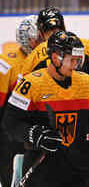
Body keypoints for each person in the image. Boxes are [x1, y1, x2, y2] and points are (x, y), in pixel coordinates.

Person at [2, 30, 89, 187]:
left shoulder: (86, 82)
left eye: (78, 60)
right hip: (42, 172)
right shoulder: (30, 84)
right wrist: (35, 134)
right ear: (56, 58)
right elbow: (10, 123)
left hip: (79, 173)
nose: (76, 65)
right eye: (72, 60)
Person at [20, 6, 89, 95]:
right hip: (84, 103)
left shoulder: (33, 56)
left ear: (40, 33)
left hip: (50, 107)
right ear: (64, 26)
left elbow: (22, 89)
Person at [0, 15, 42, 187]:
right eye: (37, 38)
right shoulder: (6, 63)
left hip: (35, 132)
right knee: (10, 177)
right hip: (9, 134)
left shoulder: (48, 61)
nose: (40, 42)